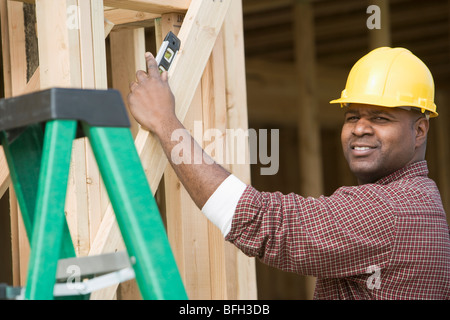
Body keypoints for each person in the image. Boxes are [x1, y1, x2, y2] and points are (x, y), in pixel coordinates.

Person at [128, 47, 450, 299]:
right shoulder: (419, 200)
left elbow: (257, 219)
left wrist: (164, 121)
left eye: (380, 118)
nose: (359, 129)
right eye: (352, 117)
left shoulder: (389, 209)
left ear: (419, 130)